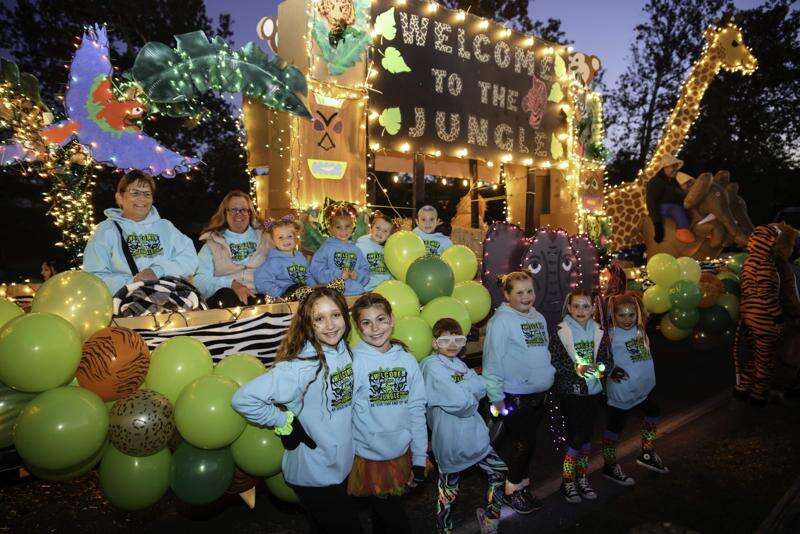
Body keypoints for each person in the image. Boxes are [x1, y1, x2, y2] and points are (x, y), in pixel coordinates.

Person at [231, 287, 361, 532]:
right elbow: (243, 398)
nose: (330, 325)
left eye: (335, 315)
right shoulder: (303, 366)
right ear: (308, 325)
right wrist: (282, 420)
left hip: (338, 466)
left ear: (346, 315)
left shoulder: (344, 351)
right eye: (319, 319)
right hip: (314, 473)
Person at [348, 293, 427, 533]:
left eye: (381, 319)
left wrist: (421, 458)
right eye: (366, 322)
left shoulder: (407, 361)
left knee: (383, 521)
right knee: (398, 525)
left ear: (392, 320)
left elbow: (416, 410)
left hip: (400, 454)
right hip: (368, 458)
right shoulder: (353, 362)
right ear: (357, 327)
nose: (375, 328)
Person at [421, 318, 508, 534]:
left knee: (499, 471)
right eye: (445, 340)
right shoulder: (431, 366)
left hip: (474, 437)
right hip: (450, 441)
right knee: (449, 492)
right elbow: (463, 404)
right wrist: (470, 389)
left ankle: (490, 518)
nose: (451, 345)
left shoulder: (458, 364)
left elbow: (481, 387)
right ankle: (445, 529)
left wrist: (468, 389)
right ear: (434, 343)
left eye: (457, 339)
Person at [482, 271, 553, 515]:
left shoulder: (539, 318)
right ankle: (512, 492)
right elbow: (492, 362)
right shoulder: (501, 321)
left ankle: (521, 487)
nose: (526, 297)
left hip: (538, 395)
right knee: (522, 444)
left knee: (529, 444)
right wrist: (497, 398)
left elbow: (542, 352)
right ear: (507, 294)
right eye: (519, 292)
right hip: (515, 397)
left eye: (530, 291)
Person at [82, 170, 198, 295]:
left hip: (169, 301)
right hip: (128, 304)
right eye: (135, 193)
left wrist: (158, 271)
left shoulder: (166, 227)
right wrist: (134, 282)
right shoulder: (105, 230)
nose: (142, 198)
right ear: (119, 198)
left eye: (147, 194)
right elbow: (93, 276)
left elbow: (190, 259)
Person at [549, 290, 612, 504]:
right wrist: (579, 369)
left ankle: (582, 477)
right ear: (569, 308)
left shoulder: (598, 331)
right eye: (576, 306)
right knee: (575, 438)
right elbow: (556, 362)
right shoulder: (561, 331)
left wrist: (593, 370)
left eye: (586, 306)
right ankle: (567, 481)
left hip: (593, 393)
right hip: (571, 393)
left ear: (593, 308)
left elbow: (606, 361)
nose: (580, 311)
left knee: (586, 439)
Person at [602, 294, 668, 488]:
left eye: (631, 314)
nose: (627, 319)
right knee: (614, 430)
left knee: (654, 412)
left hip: (643, 390)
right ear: (614, 316)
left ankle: (647, 452)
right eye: (621, 315)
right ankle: (609, 465)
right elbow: (599, 360)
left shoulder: (640, 330)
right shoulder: (610, 335)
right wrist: (609, 371)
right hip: (622, 394)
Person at [195, 191, 271, 308]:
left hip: (260, 298)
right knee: (226, 296)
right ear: (225, 213)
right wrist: (231, 284)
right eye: (233, 210)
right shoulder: (212, 244)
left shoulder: (267, 239)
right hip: (226, 302)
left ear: (250, 213)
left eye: (243, 210)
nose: (238, 214)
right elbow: (200, 281)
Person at [309, 204, 370, 296]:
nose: (343, 231)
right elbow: (316, 269)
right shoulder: (326, 248)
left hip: (356, 293)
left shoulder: (356, 249)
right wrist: (337, 275)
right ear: (331, 229)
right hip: (333, 294)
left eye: (347, 226)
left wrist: (357, 275)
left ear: (352, 227)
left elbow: (365, 269)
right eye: (338, 227)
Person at [254, 216, 314, 299]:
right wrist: (280, 293)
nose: (285, 240)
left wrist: (313, 288)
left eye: (289, 236)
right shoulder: (273, 261)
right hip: (285, 299)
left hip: (303, 296)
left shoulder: (300, 257)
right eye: (280, 237)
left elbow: (307, 275)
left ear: (296, 237)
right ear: (273, 240)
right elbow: (261, 281)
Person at [645, 154, 696, 244]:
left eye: (676, 167)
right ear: (665, 167)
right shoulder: (656, 182)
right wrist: (657, 225)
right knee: (676, 208)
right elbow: (652, 202)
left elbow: (680, 195)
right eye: (673, 167)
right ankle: (683, 231)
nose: (675, 170)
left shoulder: (673, 182)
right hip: (663, 209)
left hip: (676, 206)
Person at [356, 211, 395, 291]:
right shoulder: (361, 246)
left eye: (385, 231)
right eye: (378, 228)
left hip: (386, 287)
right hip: (367, 289)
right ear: (371, 228)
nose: (380, 232)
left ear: (389, 235)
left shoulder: (388, 249)